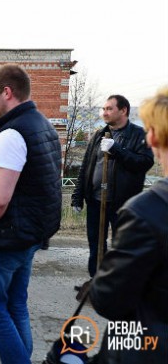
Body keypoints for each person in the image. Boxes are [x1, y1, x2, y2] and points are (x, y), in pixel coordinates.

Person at [0, 64, 62, 363]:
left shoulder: (11, 134)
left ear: (7, 92)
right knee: (16, 305)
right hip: (30, 234)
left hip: (6, 238)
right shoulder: (42, 124)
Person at [89, 87, 168, 364]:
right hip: (98, 200)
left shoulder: (147, 211)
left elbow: (109, 300)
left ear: (154, 136)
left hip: (144, 340)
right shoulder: (101, 133)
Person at [71, 95, 153, 280]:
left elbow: (144, 163)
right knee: (96, 245)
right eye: (104, 109)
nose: (104, 112)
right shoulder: (99, 134)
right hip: (95, 201)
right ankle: (97, 283)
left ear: (123, 111)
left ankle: (118, 287)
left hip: (122, 203)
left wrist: (117, 150)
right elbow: (86, 167)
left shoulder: (139, 135)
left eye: (109, 109)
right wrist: (78, 196)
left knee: (121, 246)